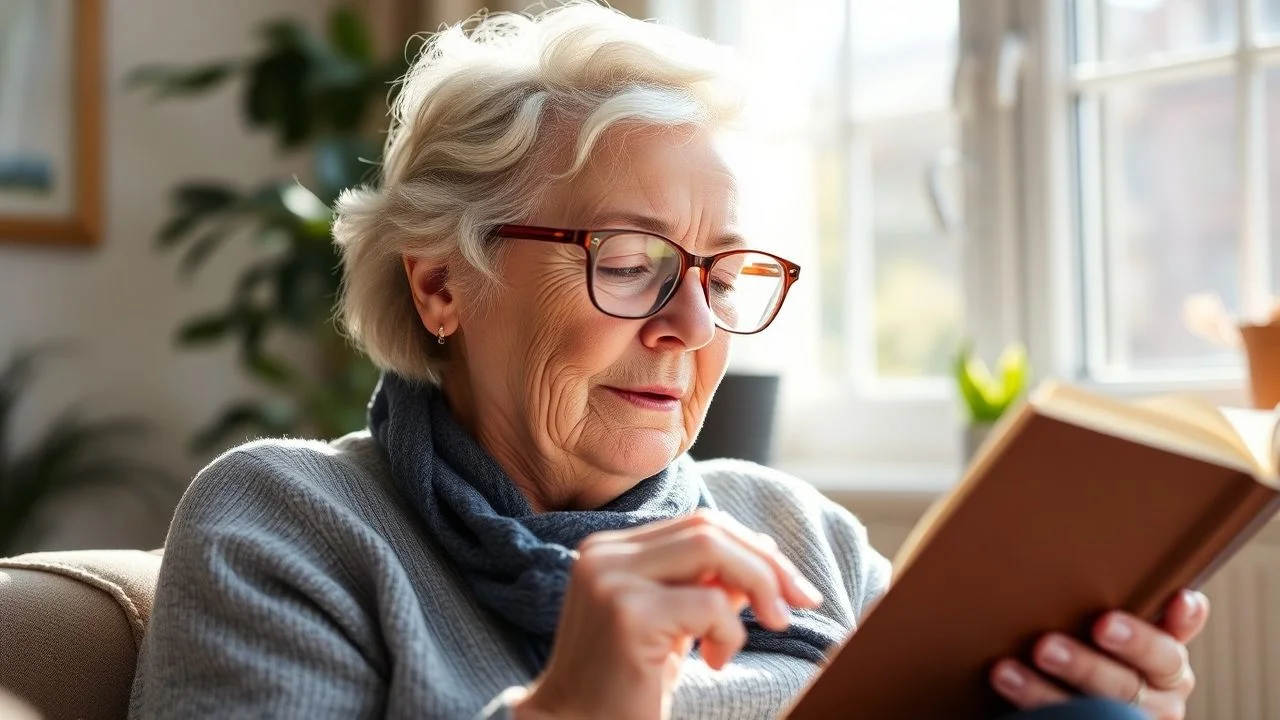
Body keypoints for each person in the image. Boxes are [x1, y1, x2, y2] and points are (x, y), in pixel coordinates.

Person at [129, 3, 1205, 718]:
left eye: (724, 272)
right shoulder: (289, 525)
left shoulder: (799, 537)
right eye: (630, 260)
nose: (692, 326)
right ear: (439, 285)